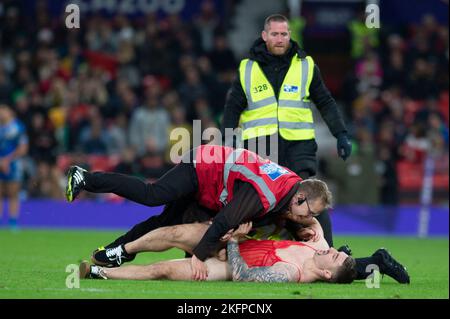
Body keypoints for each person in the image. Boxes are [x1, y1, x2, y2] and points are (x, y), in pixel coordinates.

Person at [66, 144, 332, 280]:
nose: (310, 218)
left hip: (215, 188)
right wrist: (199, 256)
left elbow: (283, 213)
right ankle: (86, 178)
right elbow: (226, 219)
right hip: (202, 167)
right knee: (153, 196)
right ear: (299, 198)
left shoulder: (295, 188)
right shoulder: (267, 193)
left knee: (166, 221)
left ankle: (111, 253)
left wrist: (304, 229)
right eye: (310, 213)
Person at [221, 13, 352, 249]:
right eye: (275, 34)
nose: (280, 39)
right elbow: (233, 107)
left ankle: (328, 250)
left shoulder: (306, 65)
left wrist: (340, 134)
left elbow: (325, 101)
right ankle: (238, 248)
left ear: (290, 35)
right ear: (264, 36)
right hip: (260, 146)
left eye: (284, 34)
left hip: (298, 144)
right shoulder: (247, 68)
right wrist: (227, 140)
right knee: (259, 200)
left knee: (308, 197)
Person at [80, 221, 359, 284]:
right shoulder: (317, 247)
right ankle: (121, 251)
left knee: (162, 269)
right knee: (174, 233)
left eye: (335, 257)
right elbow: (311, 217)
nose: (332, 250)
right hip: (229, 243)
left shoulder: (290, 273)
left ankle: (98, 272)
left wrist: (235, 242)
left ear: (325, 273)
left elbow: (242, 276)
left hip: (223, 265)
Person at [0, 104, 28, 230]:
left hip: (13, 164)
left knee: (13, 193)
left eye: (3, 109)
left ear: (10, 111)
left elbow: (23, 148)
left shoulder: (18, 127)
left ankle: (13, 221)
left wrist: (7, 160)